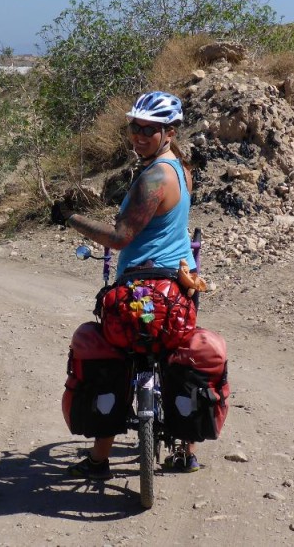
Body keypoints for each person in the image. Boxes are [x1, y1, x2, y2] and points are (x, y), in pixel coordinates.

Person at [51, 91, 200, 478]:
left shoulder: (154, 177)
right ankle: (187, 449)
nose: (137, 135)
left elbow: (120, 237)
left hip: (141, 287)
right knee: (175, 357)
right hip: (177, 289)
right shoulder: (183, 169)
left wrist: (70, 217)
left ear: (169, 131)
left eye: (147, 129)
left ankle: (99, 459)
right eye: (133, 126)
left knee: (115, 360)